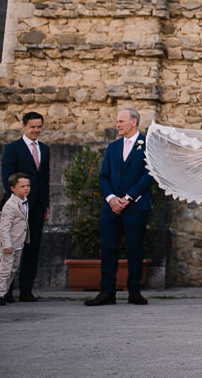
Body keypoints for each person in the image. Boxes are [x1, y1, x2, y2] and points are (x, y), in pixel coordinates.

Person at [85, 108, 155, 306]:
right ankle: (107, 291)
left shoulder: (147, 145)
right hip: (111, 207)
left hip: (136, 206)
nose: (118, 125)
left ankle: (134, 291)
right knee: (108, 248)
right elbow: (104, 175)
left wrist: (129, 197)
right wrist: (111, 198)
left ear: (134, 122)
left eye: (121, 121)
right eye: (117, 121)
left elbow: (150, 175)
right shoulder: (113, 147)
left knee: (134, 248)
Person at [0, 111, 49, 303]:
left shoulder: (45, 149)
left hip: (37, 207)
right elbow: (7, 177)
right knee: (11, 247)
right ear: (24, 127)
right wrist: (16, 201)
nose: (36, 130)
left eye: (39, 127)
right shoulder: (13, 149)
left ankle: (26, 289)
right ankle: (5, 290)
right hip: (18, 207)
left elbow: (45, 178)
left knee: (32, 248)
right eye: (33, 127)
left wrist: (46, 206)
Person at [0, 174, 31, 306]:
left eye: (28, 186)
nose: (26, 188)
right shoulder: (10, 205)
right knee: (5, 269)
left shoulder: (25, 201)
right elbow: (4, 227)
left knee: (13, 269)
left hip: (19, 242)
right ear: (13, 189)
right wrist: (7, 244)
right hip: (9, 243)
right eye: (22, 186)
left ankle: (5, 292)